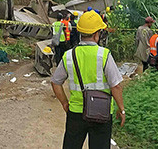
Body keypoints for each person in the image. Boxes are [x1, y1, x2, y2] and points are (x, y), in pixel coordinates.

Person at [50, 10, 126, 149]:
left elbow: (56, 82)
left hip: (76, 113)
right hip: (101, 113)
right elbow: (116, 86)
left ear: (80, 33)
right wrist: (121, 109)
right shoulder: (104, 55)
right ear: (97, 34)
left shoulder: (69, 55)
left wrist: (65, 103)